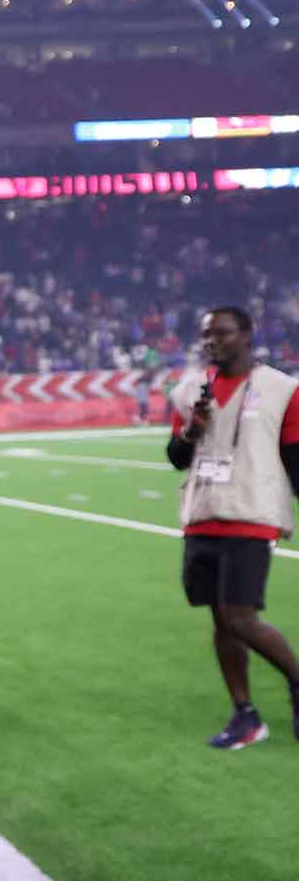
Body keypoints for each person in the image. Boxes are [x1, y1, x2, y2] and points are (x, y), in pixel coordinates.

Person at [166, 306, 299, 749]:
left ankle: (297, 679)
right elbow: (176, 457)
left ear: (246, 335)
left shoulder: (282, 390)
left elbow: (295, 458)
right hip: (203, 511)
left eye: (221, 333)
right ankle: (245, 714)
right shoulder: (189, 391)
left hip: (253, 514)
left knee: (240, 617)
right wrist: (192, 429)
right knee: (221, 620)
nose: (212, 341)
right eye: (207, 335)